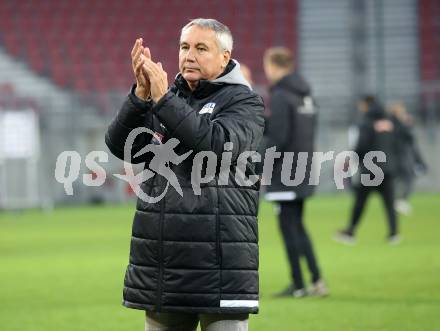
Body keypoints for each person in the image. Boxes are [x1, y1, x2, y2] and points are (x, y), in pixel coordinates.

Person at [105, 18, 265, 331]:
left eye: (200, 48)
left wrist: (164, 100)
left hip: (219, 264)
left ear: (224, 57)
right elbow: (124, 148)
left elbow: (214, 146)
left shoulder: (245, 102)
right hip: (164, 262)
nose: (188, 55)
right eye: (184, 46)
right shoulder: (166, 98)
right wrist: (139, 97)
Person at [263, 47, 328, 298]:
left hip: (284, 174)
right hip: (304, 168)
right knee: (298, 226)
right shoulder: (306, 96)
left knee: (289, 228)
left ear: (274, 65)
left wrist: (260, 166)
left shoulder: (280, 95)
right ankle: (316, 279)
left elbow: (279, 137)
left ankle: (299, 284)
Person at [335, 96, 400, 245]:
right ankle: (394, 234)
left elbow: (362, 145)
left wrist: (352, 159)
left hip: (371, 169)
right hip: (388, 168)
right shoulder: (390, 122)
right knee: (389, 203)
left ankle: (350, 231)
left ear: (367, 105)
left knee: (360, 201)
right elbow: (397, 143)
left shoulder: (366, 123)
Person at [387, 102, 427, 215]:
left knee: (397, 180)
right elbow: (410, 137)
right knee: (408, 178)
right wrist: (408, 124)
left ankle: (397, 201)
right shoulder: (399, 124)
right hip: (402, 156)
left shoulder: (390, 123)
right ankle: (400, 201)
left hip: (394, 156)